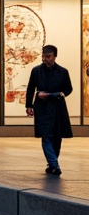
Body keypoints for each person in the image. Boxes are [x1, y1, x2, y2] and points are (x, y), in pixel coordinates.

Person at [26, 44, 73, 176]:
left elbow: (69, 88)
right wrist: (29, 105)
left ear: (54, 56)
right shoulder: (36, 71)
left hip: (58, 107)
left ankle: (52, 164)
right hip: (42, 107)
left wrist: (63, 94)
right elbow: (30, 88)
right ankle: (54, 164)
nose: (44, 59)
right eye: (43, 56)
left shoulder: (63, 71)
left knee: (57, 136)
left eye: (48, 56)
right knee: (46, 136)